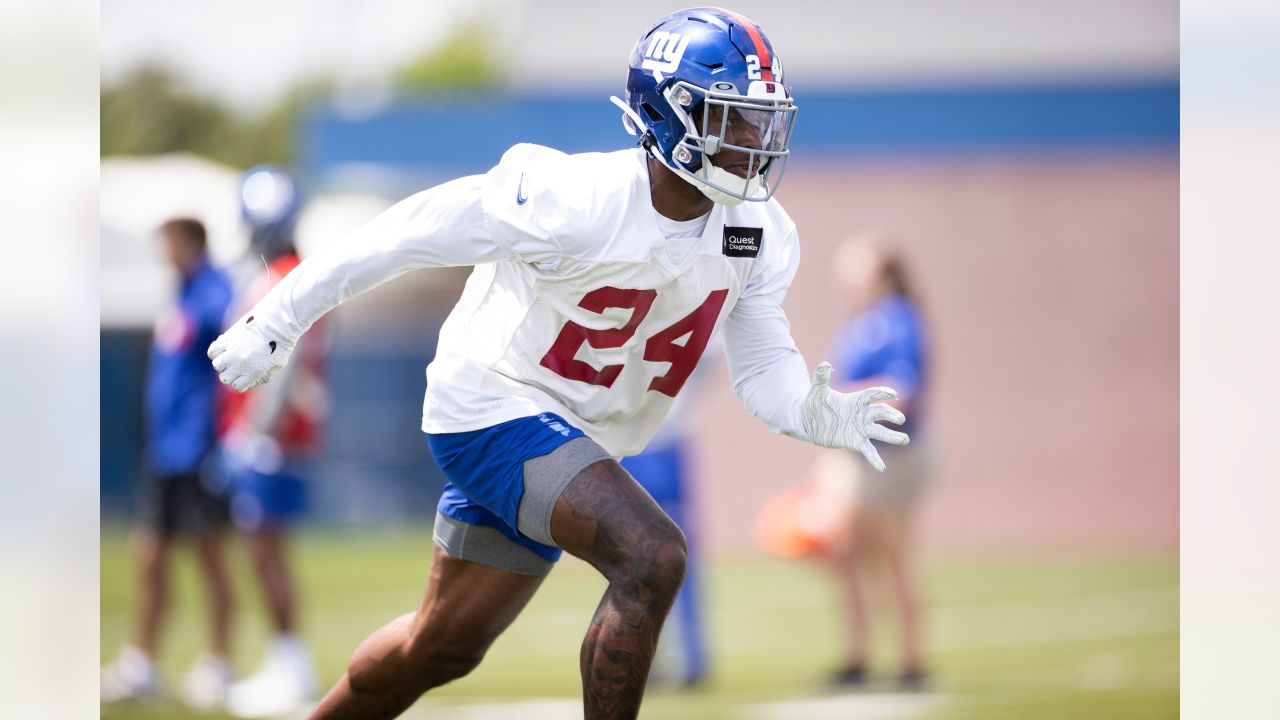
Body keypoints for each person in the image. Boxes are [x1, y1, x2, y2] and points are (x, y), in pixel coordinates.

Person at [207, 8, 909, 719]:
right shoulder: (575, 198)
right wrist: (280, 316)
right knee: (652, 555)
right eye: (734, 119)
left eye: (763, 121)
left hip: (572, 439)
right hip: (490, 406)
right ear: (670, 115)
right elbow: (406, 233)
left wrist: (809, 410)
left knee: (441, 647)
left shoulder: (758, 233)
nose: (755, 143)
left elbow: (763, 367)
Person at [101, 218, 237, 710]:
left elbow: (231, 365)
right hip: (165, 453)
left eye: (168, 242)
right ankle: (140, 664)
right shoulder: (177, 294)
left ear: (189, 242)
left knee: (211, 558)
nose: (162, 252)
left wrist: (219, 441)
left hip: (198, 452)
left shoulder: (215, 292)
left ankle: (220, 664)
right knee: (150, 556)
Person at [216, 165, 325, 718]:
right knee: (261, 551)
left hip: (274, 438)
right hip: (266, 435)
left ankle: (290, 662)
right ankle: (285, 659)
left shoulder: (289, 274)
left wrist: (254, 431)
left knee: (265, 551)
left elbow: (288, 362)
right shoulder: (278, 271)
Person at [819, 235, 934, 690]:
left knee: (892, 557)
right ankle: (859, 655)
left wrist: (840, 399)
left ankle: (911, 660)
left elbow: (900, 388)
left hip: (893, 454)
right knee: (847, 555)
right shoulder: (861, 322)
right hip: (861, 453)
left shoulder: (898, 321)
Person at [618, 356, 714, 688]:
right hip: (626, 443)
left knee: (674, 553)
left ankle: (688, 657)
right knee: (624, 557)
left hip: (661, 443)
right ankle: (639, 656)